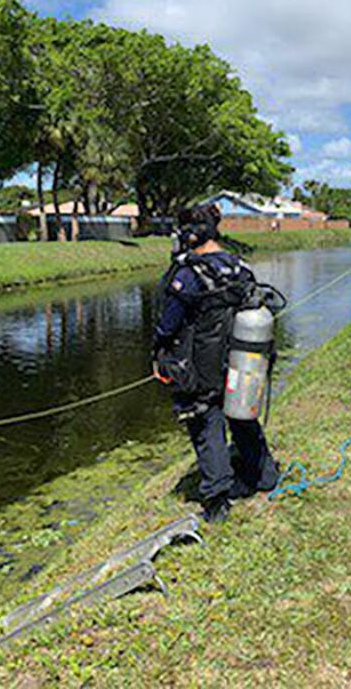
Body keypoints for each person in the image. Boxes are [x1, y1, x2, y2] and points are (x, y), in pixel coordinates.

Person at [153, 204, 280, 523]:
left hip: (200, 363)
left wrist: (158, 353)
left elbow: (168, 324)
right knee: (241, 412)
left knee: (205, 420)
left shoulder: (188, 274)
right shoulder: (239, 266)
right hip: (239, 356)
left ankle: (217, 499)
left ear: (190, 232)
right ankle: (263, 476)